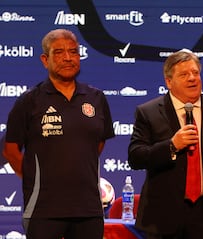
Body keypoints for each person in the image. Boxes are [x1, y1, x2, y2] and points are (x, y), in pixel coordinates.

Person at [2, 29, 115, 239]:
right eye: (59, 52)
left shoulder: (97, 98)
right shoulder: (29, 101)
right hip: (44, 210)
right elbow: (10, 151)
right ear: (45, 60)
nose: (68, 58)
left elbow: (97, 143)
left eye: (73, 52)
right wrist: (36, 180)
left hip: (89, 209)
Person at [128, 49, 203, 239]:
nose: (192, 78)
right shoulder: (148, 112)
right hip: (163, 217)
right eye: (184, 74)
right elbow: (136, 156)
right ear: (169, 82)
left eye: (195, 73)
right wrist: (171, 146)